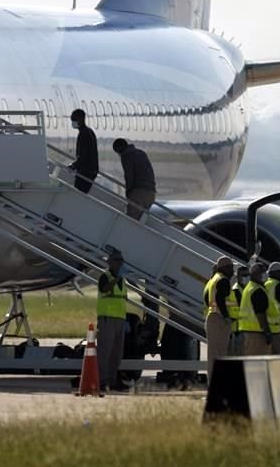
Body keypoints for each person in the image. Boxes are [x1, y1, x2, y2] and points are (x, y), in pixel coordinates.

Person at [96, 251, 129, 392]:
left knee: (116, 352)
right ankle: (102, 380)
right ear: (110, 262)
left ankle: (112, 379)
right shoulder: (105, 276)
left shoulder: (122, 280)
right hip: (107, 318)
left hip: (120, 319)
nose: (120, 262)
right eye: (117, 260)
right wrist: (117, 279)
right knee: (105, 351)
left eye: (121, 260)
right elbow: (105, 289)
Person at [203, 256, 237, 380]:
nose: (233, 271)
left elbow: (208, 299)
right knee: (220, 353)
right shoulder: (223, 280)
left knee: (214, 354)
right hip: (219, 320)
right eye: (231, 268)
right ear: (225, 268)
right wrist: (227, 316)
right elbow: (220, 299)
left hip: (213, 317)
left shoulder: (213, 280)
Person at [112, 138, 156, 220]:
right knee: (140, 223)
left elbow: (129, 175)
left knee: (131, 222)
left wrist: (128, 192)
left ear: (119, 150)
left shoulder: (126, 155)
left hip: (139, 194)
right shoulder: (141, 153)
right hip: (151, 193)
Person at [238, 263, 273, 356]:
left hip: (249, 333)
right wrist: (267, 332)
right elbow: (260, 314)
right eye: (262, 272)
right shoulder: (257, 290)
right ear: (254, 274)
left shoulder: (249, 288)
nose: (264, 274)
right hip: (258, 334)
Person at [68, 109, 98, 194]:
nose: (72, 122)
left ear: (81, 119)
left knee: (78, 195)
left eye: (74, 119)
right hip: (90, 171)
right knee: (80, 195)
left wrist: (73, 165)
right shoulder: (89, 131)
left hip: (85, 171)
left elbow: (83, 156)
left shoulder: (84, 134)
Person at [265, 261, 280, 355]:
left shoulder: (265, 284)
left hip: (267, 327)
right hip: (279, 327)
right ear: (275, 273)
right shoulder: (279, 286)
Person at [229, 264, 250, 356]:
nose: (246, 278)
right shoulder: (236, 290)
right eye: (244, 275)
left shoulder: (246, 289)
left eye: (247, 275)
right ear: (237, 277)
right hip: (238, 331)